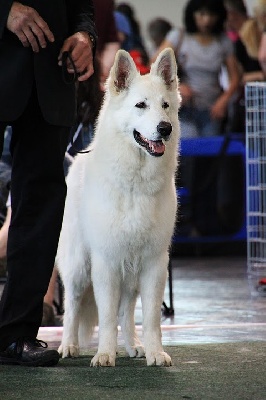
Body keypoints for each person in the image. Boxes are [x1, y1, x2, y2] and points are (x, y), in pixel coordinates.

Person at [0, 1, 97, 367]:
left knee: (41, 205)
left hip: (52, 72)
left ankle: (16, 334)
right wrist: (4, 10)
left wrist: (85, 33)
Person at [151, 0, 240, 137]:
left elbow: (235, 77)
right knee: (186, 149)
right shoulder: (178, 36)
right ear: (192, 14)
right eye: (202, 14)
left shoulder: (223, 41)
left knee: (210, 153)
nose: (207, 20)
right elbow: (155, 64)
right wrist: (177, 87)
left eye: (212, 15)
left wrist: (223, 100)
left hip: (212, 110)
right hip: (183, 109)